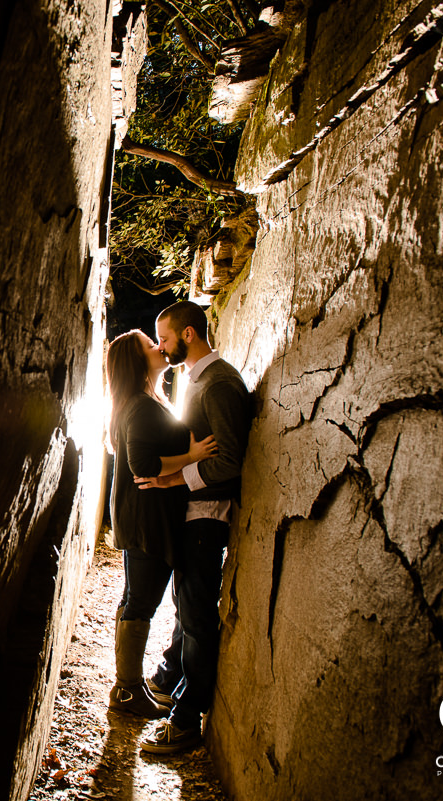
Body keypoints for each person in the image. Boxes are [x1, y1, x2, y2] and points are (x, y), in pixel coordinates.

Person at [135, 301, 251, 755]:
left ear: (187, 333)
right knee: (186, 610)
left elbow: (229, 460)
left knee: (198, 618)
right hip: (193, 513)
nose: (161, 348)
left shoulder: (220, 383)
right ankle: (172, 687)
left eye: (163, 338)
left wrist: (172, 477)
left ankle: (185, 723)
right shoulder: (197, 378)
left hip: (209, 515)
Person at [105, 329, 217, 718]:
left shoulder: (143, 401)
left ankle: (128, 688)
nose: (159, 347)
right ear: (137, 362)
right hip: (146, 520)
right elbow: (144, 467)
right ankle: (126, 691)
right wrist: (193, 455)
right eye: (150, 346)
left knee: (135, 598)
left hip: (143, 517)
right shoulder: (140, 406)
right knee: (141, 602)